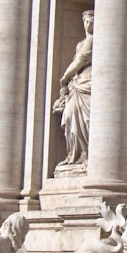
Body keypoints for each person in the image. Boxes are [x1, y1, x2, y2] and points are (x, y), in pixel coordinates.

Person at [53, 10, 93, 170]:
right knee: (70, 116)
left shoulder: (91, 40)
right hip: (76, 84)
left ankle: (86, 154)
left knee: (85, 119)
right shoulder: (81, 42)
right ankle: (74, 155)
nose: (88, 24)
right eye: (86, 21)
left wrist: (65, 77)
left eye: (91, 21)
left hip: (87, 81)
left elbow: (80, 61)